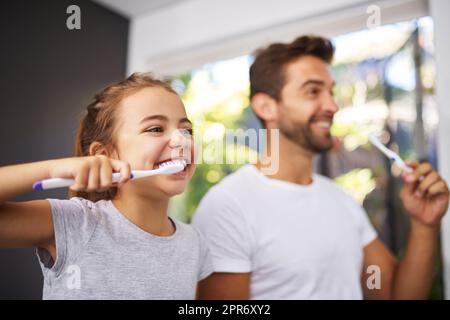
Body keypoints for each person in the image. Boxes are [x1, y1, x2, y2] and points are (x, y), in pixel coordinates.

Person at [192, 36, 449, 299]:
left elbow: (396, 295)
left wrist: (424, 225)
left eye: (331, 92)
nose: (332, 106)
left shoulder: (340, 200)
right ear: (266, 106)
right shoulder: (227, 207)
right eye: (313, 91)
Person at [0, 73, 212, 299]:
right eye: (155, 129)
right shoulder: (75, 223)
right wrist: (52, 169)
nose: (182, 140)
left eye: (186, 130)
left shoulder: (194, 244)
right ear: (105, 154)